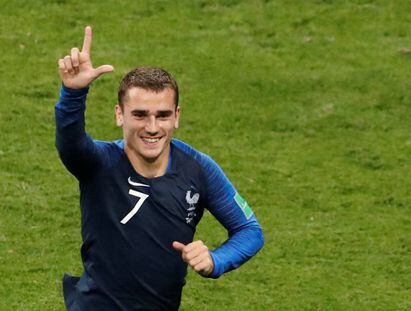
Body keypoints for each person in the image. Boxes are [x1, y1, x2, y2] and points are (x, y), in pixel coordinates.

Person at [56, 26, 264, 310]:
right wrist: (73, 94)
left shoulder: (198, 169)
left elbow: (250, 230)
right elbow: (70, 143)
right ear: (120, 114)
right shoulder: (99, 163)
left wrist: (217, 260)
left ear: (176, 116)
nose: (152, 128)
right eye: (140, 115)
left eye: (163, 115)